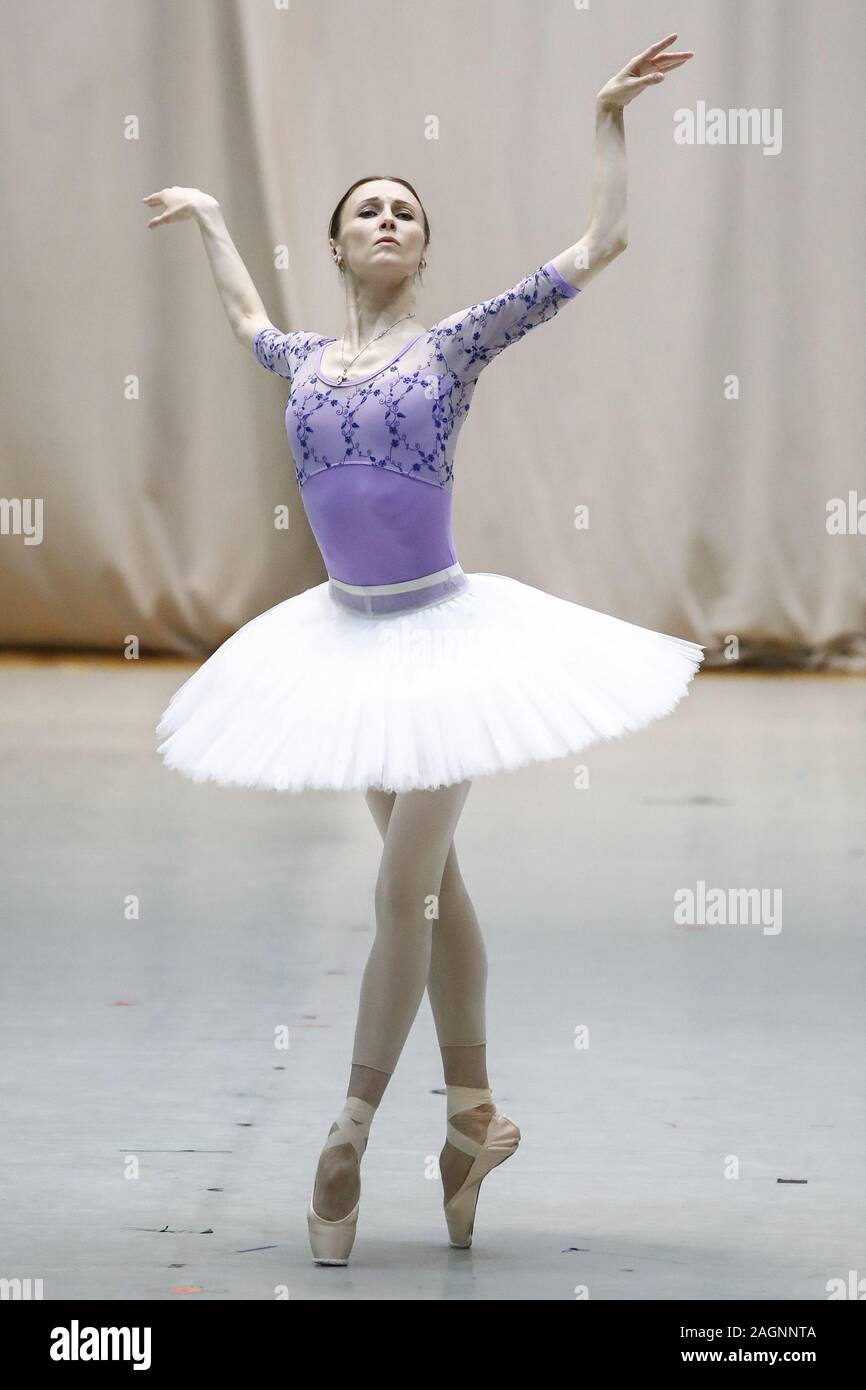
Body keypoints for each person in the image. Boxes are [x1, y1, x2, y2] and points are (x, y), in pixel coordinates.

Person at [145, 32, 698, 1265]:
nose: (386, 219)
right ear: (339, 246)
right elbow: (243, 311)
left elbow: (595, 247)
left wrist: (606, 118)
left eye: (404, 210)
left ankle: (344, 1131)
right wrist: (212, 217)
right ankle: (469, 1118)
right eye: (365, 211)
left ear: (423, 250)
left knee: (403, 886)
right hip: (347, 646)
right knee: (438, 889)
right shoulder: (298, 360)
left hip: (447, 643)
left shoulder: (449, 346)